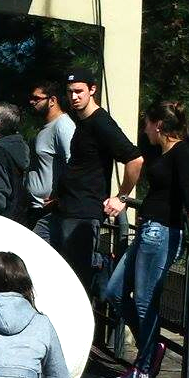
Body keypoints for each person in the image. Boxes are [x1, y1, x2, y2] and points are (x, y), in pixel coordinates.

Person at [104, 101, 189, 378]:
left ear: (159, 125)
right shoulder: (160, 151)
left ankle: (142, 370)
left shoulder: (183, 152)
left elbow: (188, 190)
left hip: (161, 234)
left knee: (146, 302)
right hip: (148, 230)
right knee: (114, 291)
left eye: (146, 123)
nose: (144, 129)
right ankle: (154, 347)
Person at [50, 68, 144, 297]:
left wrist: (121, 197)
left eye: (79, 91)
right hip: (67, 208)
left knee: (75, 282)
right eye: (70, 92)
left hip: (83, 213)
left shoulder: (101, 123)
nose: (74, 97)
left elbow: (135, 160)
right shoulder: (82, 121)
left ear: (92, 90)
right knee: (60, 274)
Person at [25, 81, 76, 241]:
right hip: (37, 209)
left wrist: (60, 198)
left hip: (51, 212)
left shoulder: (63, 125)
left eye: (36, 98)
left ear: (52, 100)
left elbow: (73, 162)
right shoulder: (46, 127)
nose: (31, 102)